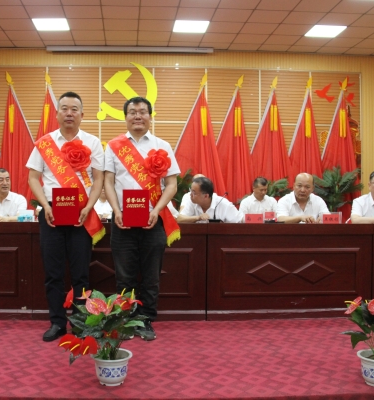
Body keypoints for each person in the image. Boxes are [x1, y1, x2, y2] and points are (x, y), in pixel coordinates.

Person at [26, 91, 104, 342]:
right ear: (57, 113)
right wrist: (44, 206)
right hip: (51, 212)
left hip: (81, 212)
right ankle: (57, 323)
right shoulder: (45, 143)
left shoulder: (93, 142)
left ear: (82, 114)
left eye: (74, 109)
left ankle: (80, 323)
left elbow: (99, 179)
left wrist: (89, 206)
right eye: (64, 108)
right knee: (53, 272)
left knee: (81, 273)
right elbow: (33, 178)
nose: (69, 113)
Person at [104, 96, 180, 341]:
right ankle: (126, 321)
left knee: (151, 275)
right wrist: (116, 210)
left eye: (143, 111)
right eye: (133, 112)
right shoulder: (113, 146)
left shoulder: (162, 146)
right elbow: (108, 182)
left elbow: (172, 185)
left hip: (153, 220)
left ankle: (146, 320)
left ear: (150, 116)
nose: (138, 116)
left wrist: (156, 210)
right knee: (124, 276)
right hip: (122, 221)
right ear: (126, 116)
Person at [178, 176, 243, 223]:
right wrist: (198, 217)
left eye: (194, 193)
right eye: (191, 191)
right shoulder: (191, 201)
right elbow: (179, 219)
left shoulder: (223, 204)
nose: (190, 194)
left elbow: (240, 221)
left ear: (206, 196)